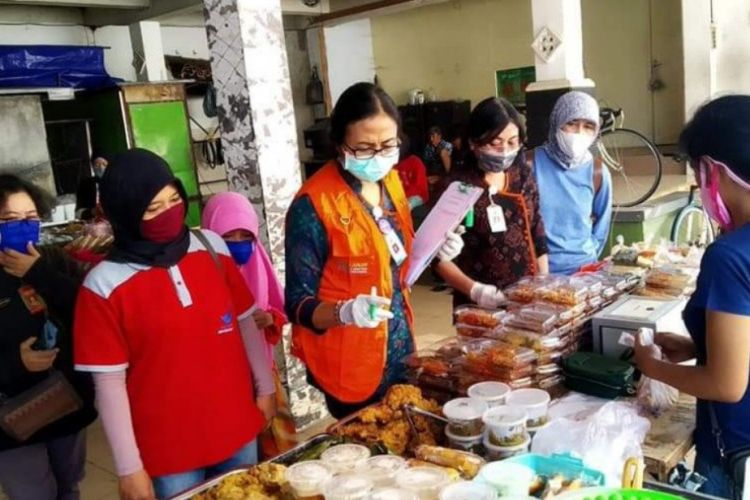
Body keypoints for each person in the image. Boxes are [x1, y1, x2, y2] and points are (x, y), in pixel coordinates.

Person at [73, 149, 276, 500]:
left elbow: (246, 323)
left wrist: (266, 390)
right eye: (153, 208)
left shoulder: (211, 247)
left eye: (174, 200)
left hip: (237, 428)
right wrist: (128, 467)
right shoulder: (102, 285)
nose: (168, 213)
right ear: (125, 212)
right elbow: (108, 383)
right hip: (168, 454)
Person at [285, 82, 464, 419]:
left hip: (399, 346)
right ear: (339, 143)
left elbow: (396, 257)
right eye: (365, 148)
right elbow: (296, 304)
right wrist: (344, 312)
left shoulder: (390, 182)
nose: (379, 156)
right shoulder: (314, 205)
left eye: (388, 145)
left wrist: (438, 249)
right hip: (349, 360)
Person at [633, 95, 750, 498]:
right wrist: (699, 346)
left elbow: (726, 384)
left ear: (714, 169)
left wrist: (652, 365)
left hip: (734, 450)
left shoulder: (729, 256)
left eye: (698, 173)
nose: (699, 186)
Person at [0, 174, 96, 500]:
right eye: (10, 220)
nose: (23, 227)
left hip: (65, 402)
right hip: (11, 418)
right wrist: (16, 363)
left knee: (69, 487)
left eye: (30, 218)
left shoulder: (54, 260)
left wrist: (38, 272)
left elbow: (90, 311)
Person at [201, 192, 296, 459]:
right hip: (222, 378)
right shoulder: (199, 271)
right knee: (236, 453)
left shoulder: (258, 263)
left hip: (263, 371)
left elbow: (281, 307)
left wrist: (270, 318)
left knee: (279, 446)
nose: (238, 243)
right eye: (228, 236)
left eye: (246, 236)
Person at [435, 97, 549, 309]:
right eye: (495, 143)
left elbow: (537, 231)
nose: (504, 150)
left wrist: (543, 281)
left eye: (512, 142)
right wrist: (476, 290)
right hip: (479, 304)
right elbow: (437, 259)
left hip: (526, 297)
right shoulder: (456, 188)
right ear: (473, 143)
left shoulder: (523, 176)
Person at [531, 91, 613, 275]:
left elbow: (601, 228)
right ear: (557, 123)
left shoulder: (598, 172)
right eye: (571, 123)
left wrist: (586, 261)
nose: (579, 133)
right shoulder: (530, 164)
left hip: (584, 273)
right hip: (539, 274)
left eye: (588, 126)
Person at [395, 138, 429, 211]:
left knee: (407, 206)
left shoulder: (415, 161)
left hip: (417, 195)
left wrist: (402, 197)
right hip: (399, 196)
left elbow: (418, 187)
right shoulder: (393, 164)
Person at [75, 153, 108, 220]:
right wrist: (92, 211)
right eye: (97, 165)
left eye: (104, 164)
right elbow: (78, 213)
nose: (101, 167)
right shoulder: (85, 185)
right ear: (93, 167)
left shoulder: (117, 183)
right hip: (93, 223)